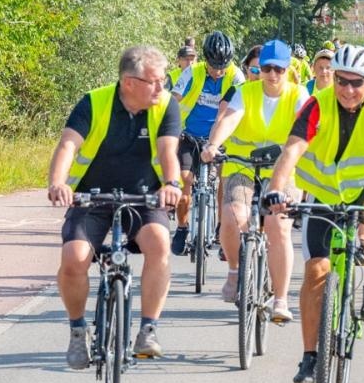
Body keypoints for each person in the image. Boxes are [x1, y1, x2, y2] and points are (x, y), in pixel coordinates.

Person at [261, 44, 364, 383]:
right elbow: (293, 149)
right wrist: (276, 190)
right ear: (333, 78)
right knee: (316, 271)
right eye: (342, 81)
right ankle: (310, 357)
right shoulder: (316, 105)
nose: (348, 90)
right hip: (325, 192)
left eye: (357, 83)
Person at [47, 45, 184, 364]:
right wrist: (58, 182)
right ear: (129, 82)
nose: (162, 87)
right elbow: (68, 144)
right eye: (155, 81)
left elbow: (168, 152)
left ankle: (148, 329)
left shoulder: (165, 106)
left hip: (143, 195)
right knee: (73, 258)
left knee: (160, 244)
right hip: (91, 196)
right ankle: (78, 331)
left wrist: (171, 184)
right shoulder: (94, 102)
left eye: (163, 80)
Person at [202, 39, 303, 321]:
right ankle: (235, 271)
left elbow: (308, 128)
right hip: (242, 164)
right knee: (234, 214)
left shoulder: (299, 95)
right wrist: (214, 145)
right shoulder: (245, 93)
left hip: (282, 169)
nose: (271, 75)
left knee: (277, 225)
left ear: (287, 69)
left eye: (278, 70)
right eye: (265, 69)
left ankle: (281, 300)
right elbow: (230, 119)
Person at [171, 31, 240, 255]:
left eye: (222, 66)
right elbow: (173, 100)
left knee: (225, 180)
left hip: (221, 136)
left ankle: (221, 227)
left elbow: (239, 107)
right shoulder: (192, 72)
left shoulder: (236, 76)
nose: (217, 71)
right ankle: (182, 227)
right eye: (213, 65)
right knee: (185, 179)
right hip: (190, 134)